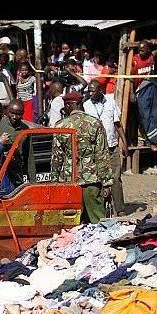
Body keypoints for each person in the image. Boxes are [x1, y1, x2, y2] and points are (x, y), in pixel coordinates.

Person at [52, 91, 113, 224]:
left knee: (71, 225)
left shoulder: (61, 126)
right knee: (98, 223)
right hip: (91, 181)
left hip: (69, 181)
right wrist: (107, 183)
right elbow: (102, 155)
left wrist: (54, 182)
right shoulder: (95, 123)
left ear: (69, 106)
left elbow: (57, 158)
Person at [83, 80, 128, 216]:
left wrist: (124, 143)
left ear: (100, 90)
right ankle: (101, 210)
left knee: (115, 177)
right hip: (95, 149)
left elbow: (117, 124)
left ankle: (119, 209)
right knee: (98, 179)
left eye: (93, 91)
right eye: (89, 91)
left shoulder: (110, 101)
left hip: (111, 146)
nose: (90, 93)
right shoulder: (86, 105)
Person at [0, 99, 35, 188]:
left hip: (17, 174)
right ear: (7, 112)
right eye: (12, 113)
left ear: (23, 113)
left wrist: (33, 181)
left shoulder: (25, 130)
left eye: (18, 114)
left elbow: (29, 156)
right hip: (1, 173)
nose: (14, 116)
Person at [132, 40, 157, 152]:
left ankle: (152, 142)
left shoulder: (151, 56)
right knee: (145, 116)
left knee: (154, 116)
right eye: (139, 50)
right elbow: (130, 77)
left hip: (153, 86)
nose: (141, 52)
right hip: (141, 89)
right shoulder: (134, 59)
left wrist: (153, 41)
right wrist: (131, 92)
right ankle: (156, 140)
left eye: (143, 50)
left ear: (148, 49)